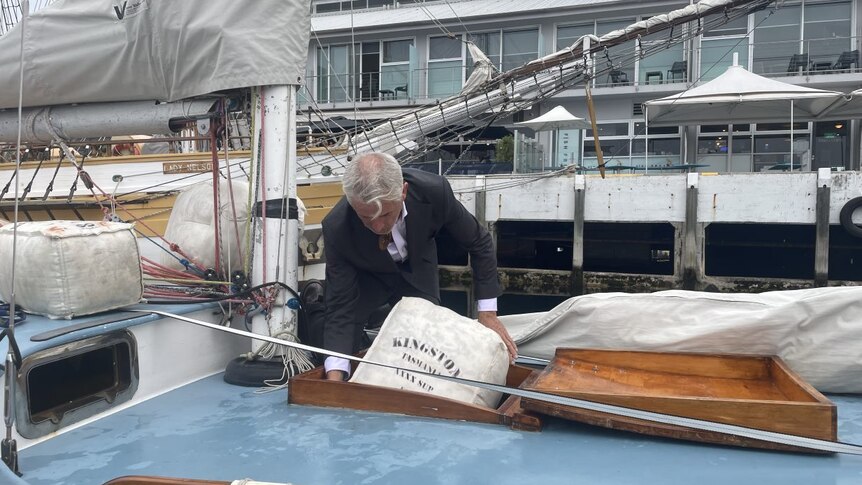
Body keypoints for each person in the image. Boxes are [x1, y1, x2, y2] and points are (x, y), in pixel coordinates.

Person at [319, 152, 517, 381]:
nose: (378, 226)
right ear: (353, 204)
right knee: (345, 341)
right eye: (365, 217)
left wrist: (488, 313)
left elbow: (479, 242)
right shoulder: (337, 227)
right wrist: (333, 383)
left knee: (427, 339)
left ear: (403, 192)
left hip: (417, 267)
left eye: (386, 214)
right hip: (366, 276)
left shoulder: (435, 192)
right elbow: (339, 308)